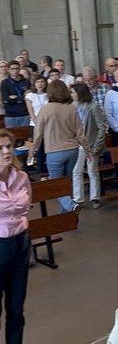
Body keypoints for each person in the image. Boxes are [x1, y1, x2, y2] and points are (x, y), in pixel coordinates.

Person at [31, 81, 88, 213]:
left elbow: (38, 133)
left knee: (56, 185)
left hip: (54, 151)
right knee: (66, 183)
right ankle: (65, 216)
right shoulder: (71, 108)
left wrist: (33, 149)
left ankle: (71, 206)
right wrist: (87, 149)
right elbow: (80, 133)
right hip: (72, 150)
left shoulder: (45, 109)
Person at [0, 129, 31, 344]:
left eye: (8, 146)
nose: (6, 151)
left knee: (16, 310)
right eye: (0, 148)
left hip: (21, 244)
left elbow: (26, 208)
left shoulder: (22, 177)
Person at [70, 83, 106, 209]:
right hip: (77, 144)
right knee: (76, 171)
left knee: (92, 170)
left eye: (73, 92)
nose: (71, 94)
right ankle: (78, 198)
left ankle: (95, 197)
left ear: (80, 93)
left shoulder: (93, 106)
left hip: (91, 144)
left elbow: (101, 127)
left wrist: (97, 146)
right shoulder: (72, 106)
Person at [25, 76, 48, 173]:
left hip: (47, 124)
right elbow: (31, 112)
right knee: (33, 146)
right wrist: (37, 123)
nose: (40, 84)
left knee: (45, 146)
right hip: (34, 124)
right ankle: (31, 165)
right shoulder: (30, 95)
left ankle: (45, 166)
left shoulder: (48, 94)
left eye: (42, 82)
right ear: (34, 84)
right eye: (38, 82)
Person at [1, 60, 31, 128]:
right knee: (11, 134)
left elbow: (29, 98)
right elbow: (5, 100)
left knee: (26, 134)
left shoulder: (26, 82)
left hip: (25, 114)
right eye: (13, 69)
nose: (15, 70)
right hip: (10, 115)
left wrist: (15, 97)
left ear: (20, 69)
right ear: (8, 70)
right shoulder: (5, 83)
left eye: (17, 68)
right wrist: (22, 97)